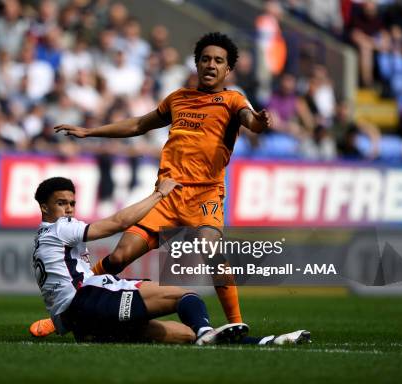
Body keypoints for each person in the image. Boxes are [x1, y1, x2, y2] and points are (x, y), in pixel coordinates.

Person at [31, 32, 273, 337]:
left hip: (205, 197)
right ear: (197, 63)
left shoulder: (232, 100)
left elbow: (251, 121)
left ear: (228, 70)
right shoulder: (177, 99)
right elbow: (137, 125)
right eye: (206, 59)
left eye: (218, 61)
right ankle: (68, 314)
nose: (211, 65)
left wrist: (260, 123)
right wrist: (88, 131)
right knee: (119, 257)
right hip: (166, 198)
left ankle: (236, 324)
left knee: (214, 254)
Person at [32, 176, 310, 345]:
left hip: (83, 321)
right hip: (88, 302)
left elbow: (61, 287)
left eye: (72, 203)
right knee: (185, 296)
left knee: (185, 336)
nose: (69, 209)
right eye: (61, 203)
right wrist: (159, 194)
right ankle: (205, 330)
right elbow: (118, 222)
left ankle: (263, 342)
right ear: (45, 207)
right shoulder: (61, 229)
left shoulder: (44, 238)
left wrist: (57, 323)